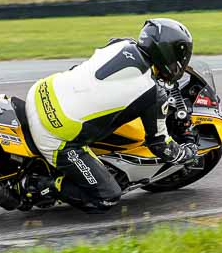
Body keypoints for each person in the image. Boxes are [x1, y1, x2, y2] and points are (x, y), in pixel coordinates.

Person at [23, 18, 198, 213]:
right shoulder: (153, 93)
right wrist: (186, 153)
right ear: (168, 53)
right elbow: (160, 145)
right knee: (107, 196)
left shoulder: (121, 43)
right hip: (55, 134)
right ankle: (42, 186)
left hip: (41, 91)